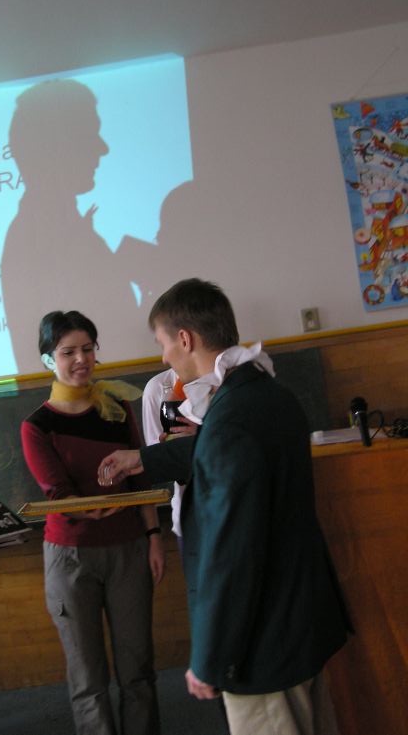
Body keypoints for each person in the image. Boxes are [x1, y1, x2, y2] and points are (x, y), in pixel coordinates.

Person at [98, 279, 350, 735]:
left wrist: (210, 658)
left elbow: (232, 553)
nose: (163, 358)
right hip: (300, 623)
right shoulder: (267, 394)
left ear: (185, 339)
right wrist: (144, 458)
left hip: (263, 644)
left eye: (161, 344)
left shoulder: (229, 420)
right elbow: (226, 451)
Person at [20, 310, 163, 735]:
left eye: (88, 349)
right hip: (71, 557)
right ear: (48, 360)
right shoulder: (36, 426)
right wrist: (90, 509)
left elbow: (142, 478)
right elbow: (57, 494)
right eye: (68, 352)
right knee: (88, 677)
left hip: (129, 548)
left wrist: (154, 536)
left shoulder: (116, 407)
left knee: (137, 667)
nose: (81, 359)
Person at [0, 79, 140, 374]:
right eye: (90, 135)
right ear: (55, 149)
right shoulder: (33, 238)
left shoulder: (67, 228)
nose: (103, 148)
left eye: (89, 349)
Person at [141, 369, 198, 551]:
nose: (165, 358)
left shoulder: (228, 377)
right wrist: (168, 449)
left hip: (233, 511)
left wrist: (202, 435)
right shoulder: (157, 388)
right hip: (189, 514)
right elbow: (158, 458)